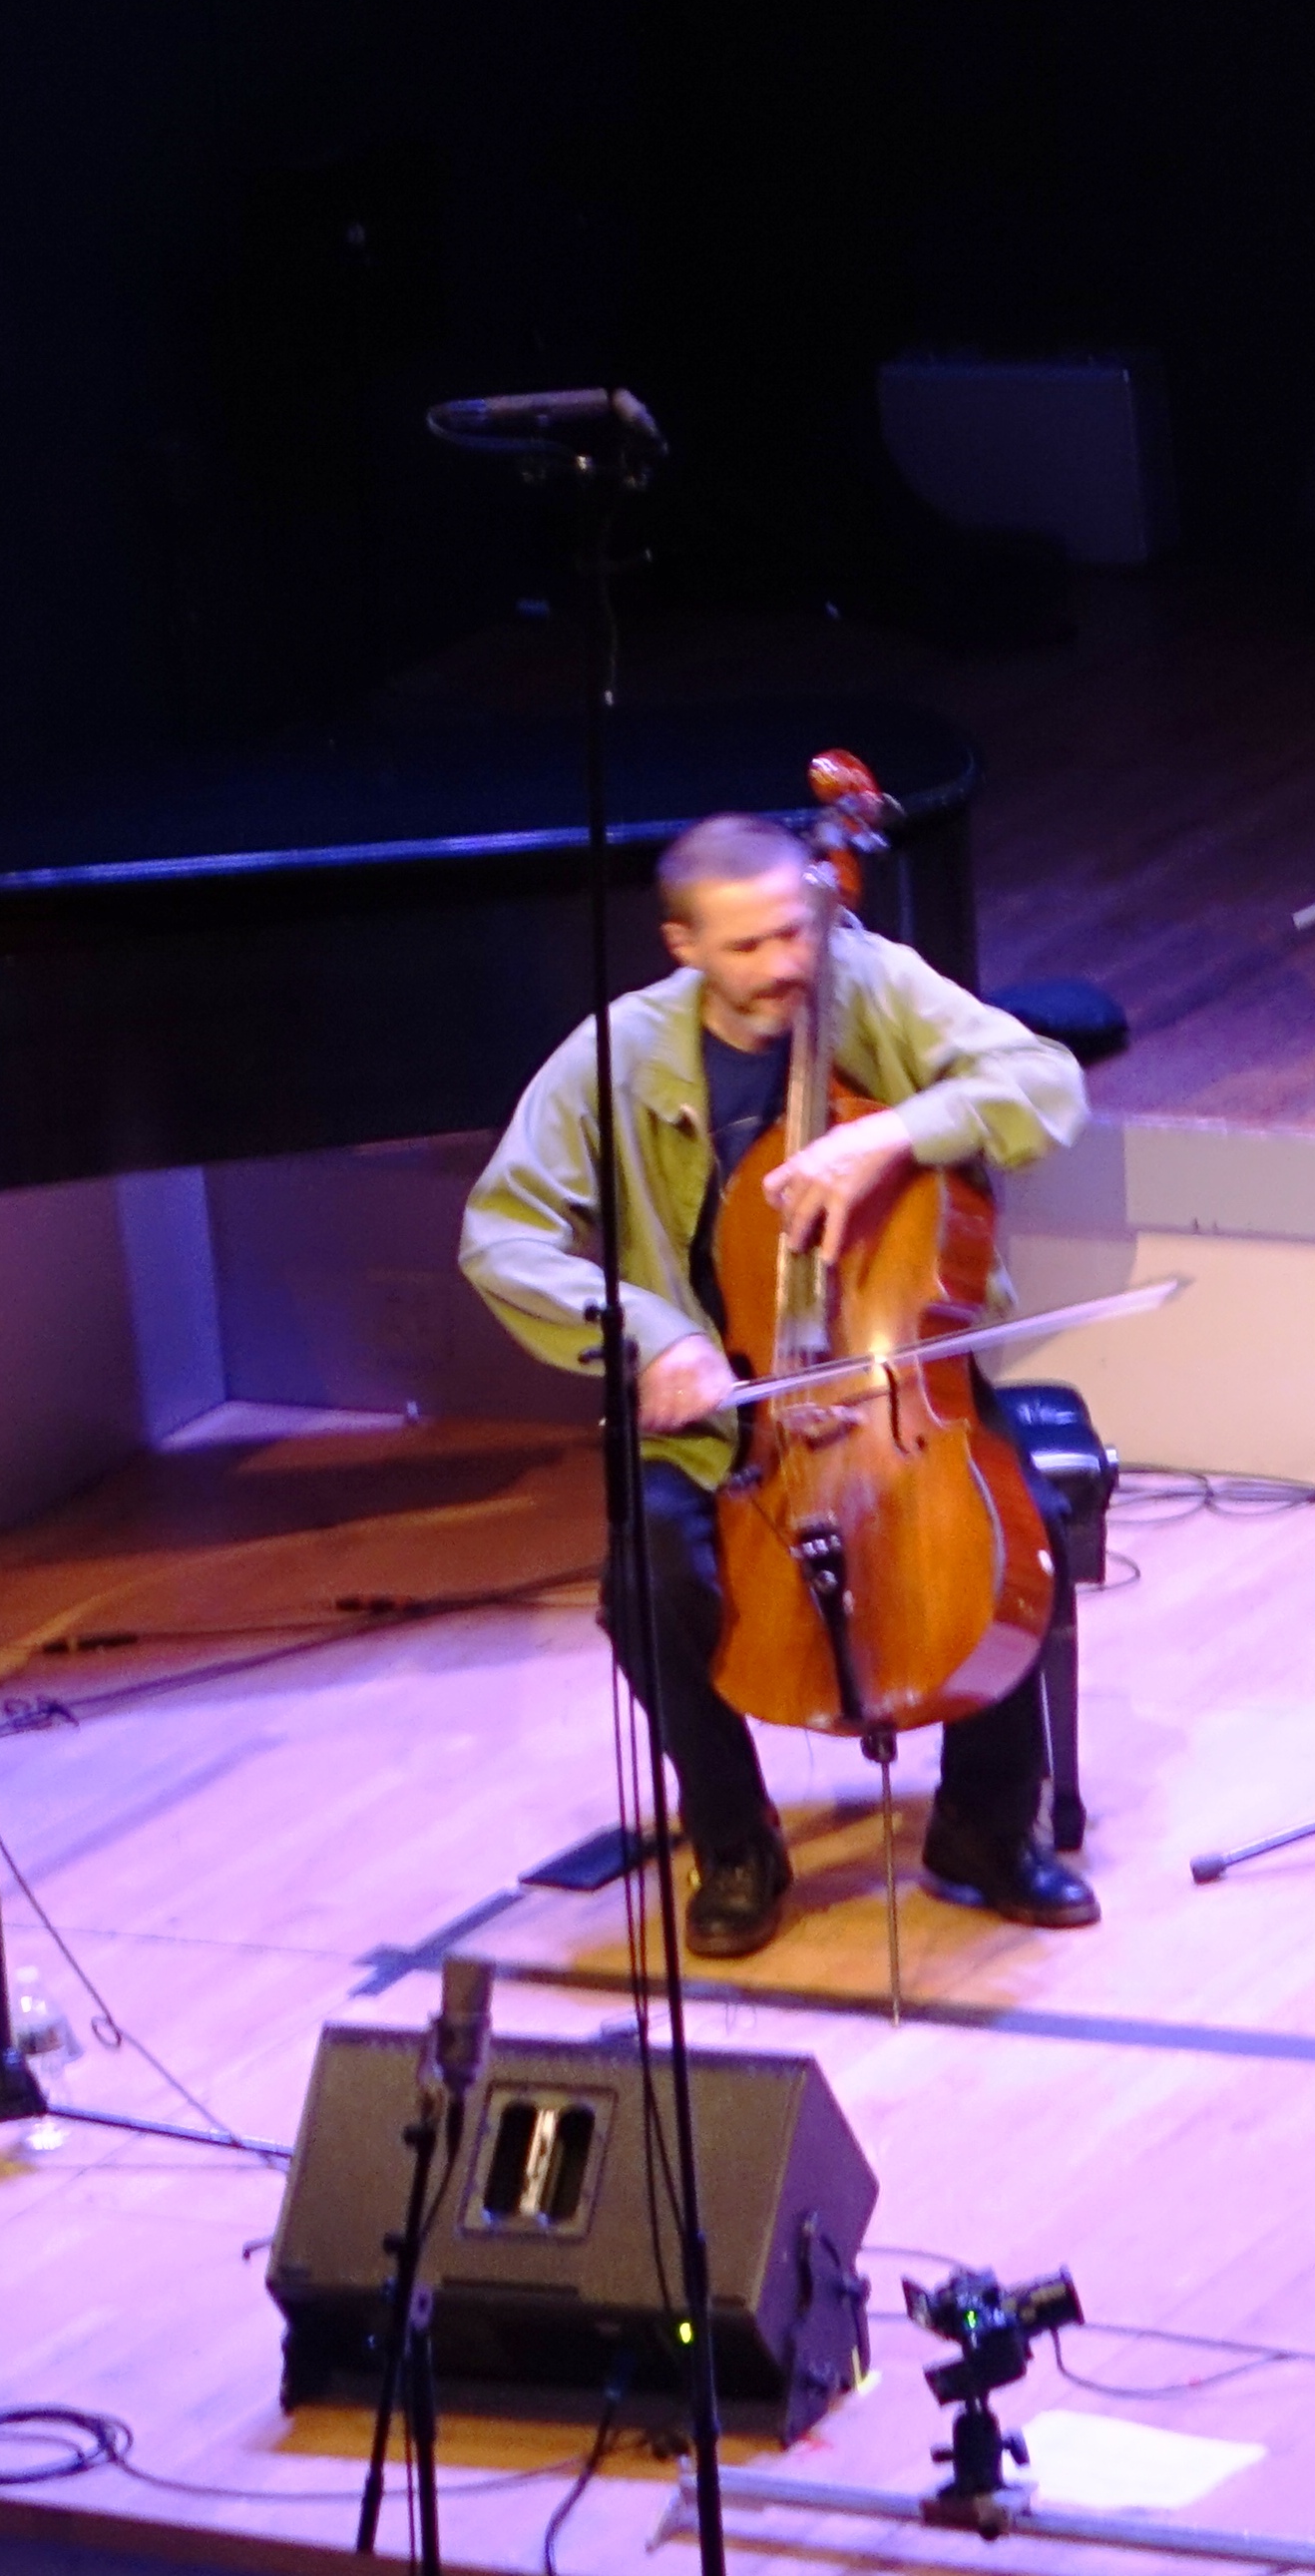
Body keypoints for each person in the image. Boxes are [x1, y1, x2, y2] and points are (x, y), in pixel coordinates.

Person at [463, 812, 1096, 1955]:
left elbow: (1043, 1080)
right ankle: (735, 1834)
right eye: (747, 946)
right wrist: (652, 1334)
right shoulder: (614, 1054)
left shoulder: (866, 978)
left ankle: (986, 1828)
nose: (784, 965)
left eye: (794, 933)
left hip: (889, 1369)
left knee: (1015, 1530)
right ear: (683, 942)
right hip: (724, 1406)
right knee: (645, 1571)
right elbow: (502, 1233)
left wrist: (896, 1130)